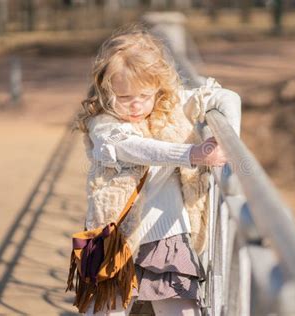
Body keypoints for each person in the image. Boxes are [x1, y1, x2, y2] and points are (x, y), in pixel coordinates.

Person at [73, 25, 241, 316]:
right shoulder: (103, 124)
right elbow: (135, 147)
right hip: (116, 238)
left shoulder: (173, 105)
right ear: (106, 91)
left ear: (159, 87)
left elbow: (228, 98)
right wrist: (193, 153)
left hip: (169, 238)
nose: (136, 105)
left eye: (144, 95)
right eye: (124, 98)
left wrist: (231, 147)